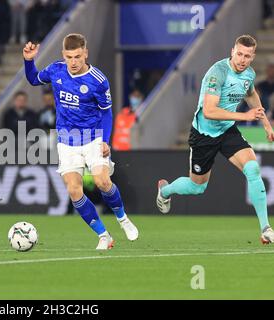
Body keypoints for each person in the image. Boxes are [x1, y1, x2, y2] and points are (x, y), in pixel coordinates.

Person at [23, 33, 139, 250]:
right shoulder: (56, 70)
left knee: (102, 181)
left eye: (77, 56)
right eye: (69, 57)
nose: (73, 62)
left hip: (93, 137)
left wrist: (105, 141)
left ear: (85, 53)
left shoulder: (98, 80)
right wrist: (28, 60)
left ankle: (123, 219)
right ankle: (103, 236)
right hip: (67, 141)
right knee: (74, 190)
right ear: (63, 55)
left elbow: (106, 113)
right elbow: (33, 79)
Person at [156, 35, 274, 244]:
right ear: (232, 51)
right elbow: (209, 110)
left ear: (253, 56)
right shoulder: (217, 73)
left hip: (227, 131)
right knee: (197, 187)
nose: (242, 60)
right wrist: (245, 116)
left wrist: (266, 123)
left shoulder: (249, 73)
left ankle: (265, 228)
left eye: (247, 56)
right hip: (204, 134)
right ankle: (165, 190)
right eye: (239, 54)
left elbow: (251, 94)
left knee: (253, 170)